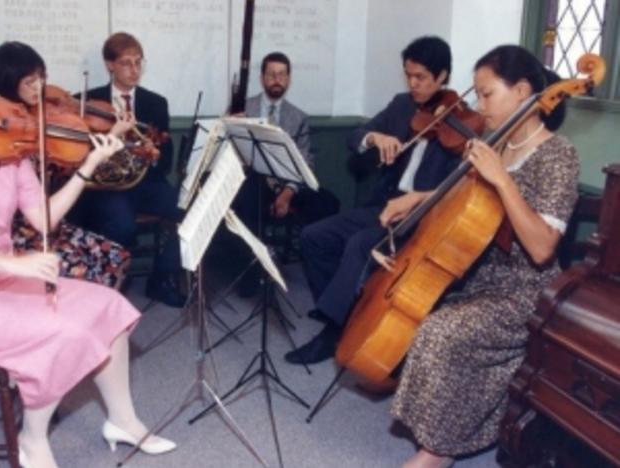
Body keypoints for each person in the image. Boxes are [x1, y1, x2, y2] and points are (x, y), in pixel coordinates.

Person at [0, 36, 176, 468]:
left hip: (0, 281)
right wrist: (7, 261)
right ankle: (33, 439)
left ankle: (123, 420)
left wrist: (88, 168)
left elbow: (43, 219)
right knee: (62, 332)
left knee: (108, 306)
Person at [389, 44, 579, 468]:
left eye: (487, 94)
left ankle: (438, 451)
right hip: (481, 272)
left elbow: (542, 246)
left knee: (443, 331)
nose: (479, 106)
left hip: (527, 288)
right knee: (415, 304)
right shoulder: (496, 143)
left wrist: (502, 179)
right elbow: (466, 205)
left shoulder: (558, 155)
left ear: (524, 91)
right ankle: (443, 424)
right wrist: (418, 198)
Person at [286, 36, 462, 364]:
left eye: (421, 77)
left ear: (442, 76)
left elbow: (457, 189)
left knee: (359, 243)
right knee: (314, 236)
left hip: (419, 216)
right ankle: (338, 310)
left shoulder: (462, 122)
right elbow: (355, 138)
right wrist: (374, 137)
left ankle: (332, 333)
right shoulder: (401, 105)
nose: (413, 84)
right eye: (408, 75)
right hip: (382, 204)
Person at [0, 41, 132, 290]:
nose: (39, 87)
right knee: (82, 268)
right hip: (18, 229)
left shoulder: (45, 115)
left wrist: (102, 144)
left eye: (41, 78)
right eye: (29, 82)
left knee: (117, 256)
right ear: (8, 83)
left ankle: (94, 322)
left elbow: (60, 168)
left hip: (49, 217)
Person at [69, 32, 186, 307]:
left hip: (145, 183)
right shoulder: (86, 101)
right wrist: (113, 133)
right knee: (122, 226)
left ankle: (161, 279)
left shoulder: (156, 103)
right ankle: (111, 285)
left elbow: (165, 159)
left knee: (187, 211)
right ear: (109, 65)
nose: (134, 70)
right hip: (108, 188)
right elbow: (80, 153)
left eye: (138, 63)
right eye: (126, 63)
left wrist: (155, 154)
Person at [232, 51, 340, 296]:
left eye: (281, 74)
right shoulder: (243, 108)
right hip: (254, 182)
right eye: (271, 74)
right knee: (248, 198)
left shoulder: (299, 117)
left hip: (287, 185)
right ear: (262, 78)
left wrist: (288, 194)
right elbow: (232, 153)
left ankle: (320, 276)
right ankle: (252, 274)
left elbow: (306, 163)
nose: (276, 79)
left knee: (328, 202)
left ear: (289, 79)